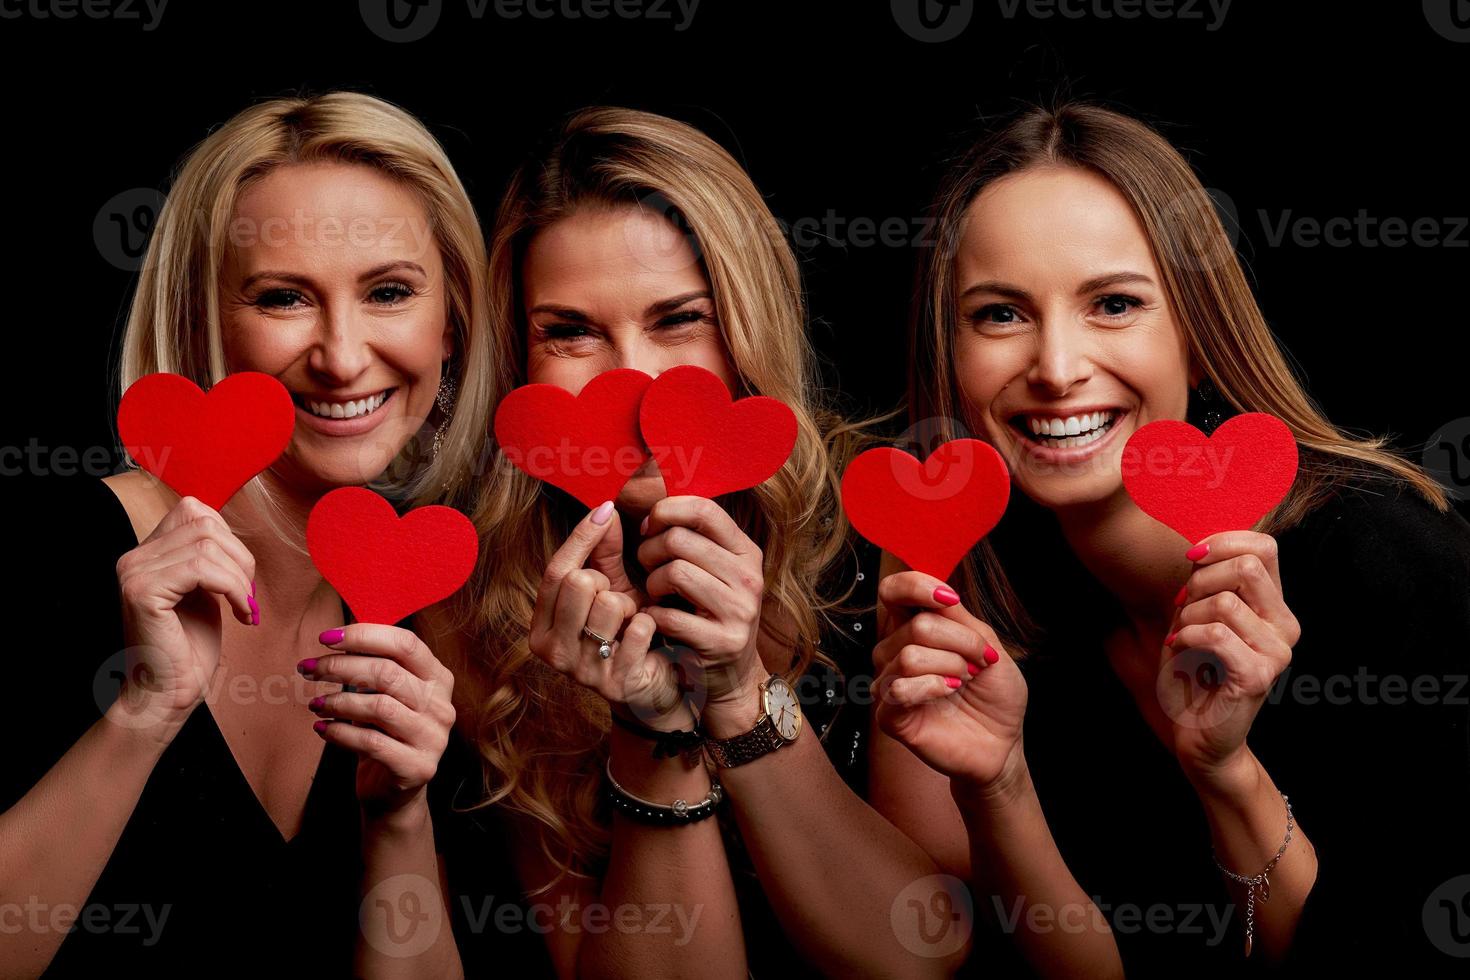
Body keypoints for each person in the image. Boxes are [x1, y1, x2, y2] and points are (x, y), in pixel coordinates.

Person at [869, 99, 1470, 977]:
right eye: (1000, 314)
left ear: (1196, 338)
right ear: (949, 352)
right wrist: (998, 788)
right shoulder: (985, 585)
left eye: (1113, 304)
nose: (1058, 367)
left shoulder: (1393, 569)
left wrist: (1225, 769)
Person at [416, 106, 964, 978]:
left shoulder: (888, 526)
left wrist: (738, 692)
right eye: (570, 331)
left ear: (744, 328)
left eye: (678, 320)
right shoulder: (473, 605)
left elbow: (927, 953)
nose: (631, 380)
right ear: (519, 360)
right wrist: (654, 724)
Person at [0, 90, 505, 978]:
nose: (343, 356)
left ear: (453, 319)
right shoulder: (43, 553)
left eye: (389, 291)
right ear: (205, 320)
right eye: (283, 300)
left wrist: (397, 816)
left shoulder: (438, 620)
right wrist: (142, 715)